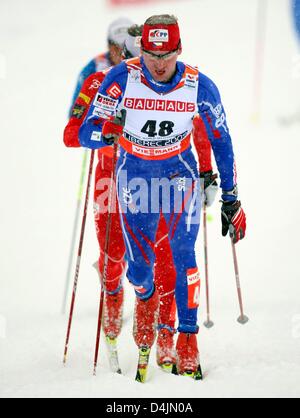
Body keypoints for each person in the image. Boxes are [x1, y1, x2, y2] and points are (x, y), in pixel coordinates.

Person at [79, 15, 243, 378]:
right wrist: (107, 134)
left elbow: (222, 140)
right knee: (138, 269)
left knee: (184, 255)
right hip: (133, 177)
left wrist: (232, 196)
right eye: (151, 54)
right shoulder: (122, 78)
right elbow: (84, 131)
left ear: (179, 51)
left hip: (178, 174)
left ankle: (187, 340)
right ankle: (145, 296)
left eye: (166, 55)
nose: (158, 63)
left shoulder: (199, 85)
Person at [69, 17, 134, 114]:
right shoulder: (94, 67)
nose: (121, 54)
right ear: (109, 46)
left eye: (126, 48)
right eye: (116, 48)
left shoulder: (148, 65)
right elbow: (76, 112)